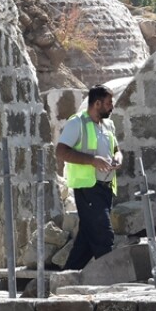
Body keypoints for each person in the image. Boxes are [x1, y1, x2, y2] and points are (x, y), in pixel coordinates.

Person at [57, 84, 123, 271]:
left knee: (85, 242)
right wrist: (91, 160)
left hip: (106, 189)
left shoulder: (108, 124)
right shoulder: (77, 123)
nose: (112, 107)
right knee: (104, 234)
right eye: (109, 103)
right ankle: (111, 277)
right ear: (97, 104)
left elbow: (117, 150)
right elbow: (61, 152)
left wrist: (118, 158)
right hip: (88, 189)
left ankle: (65, 278)